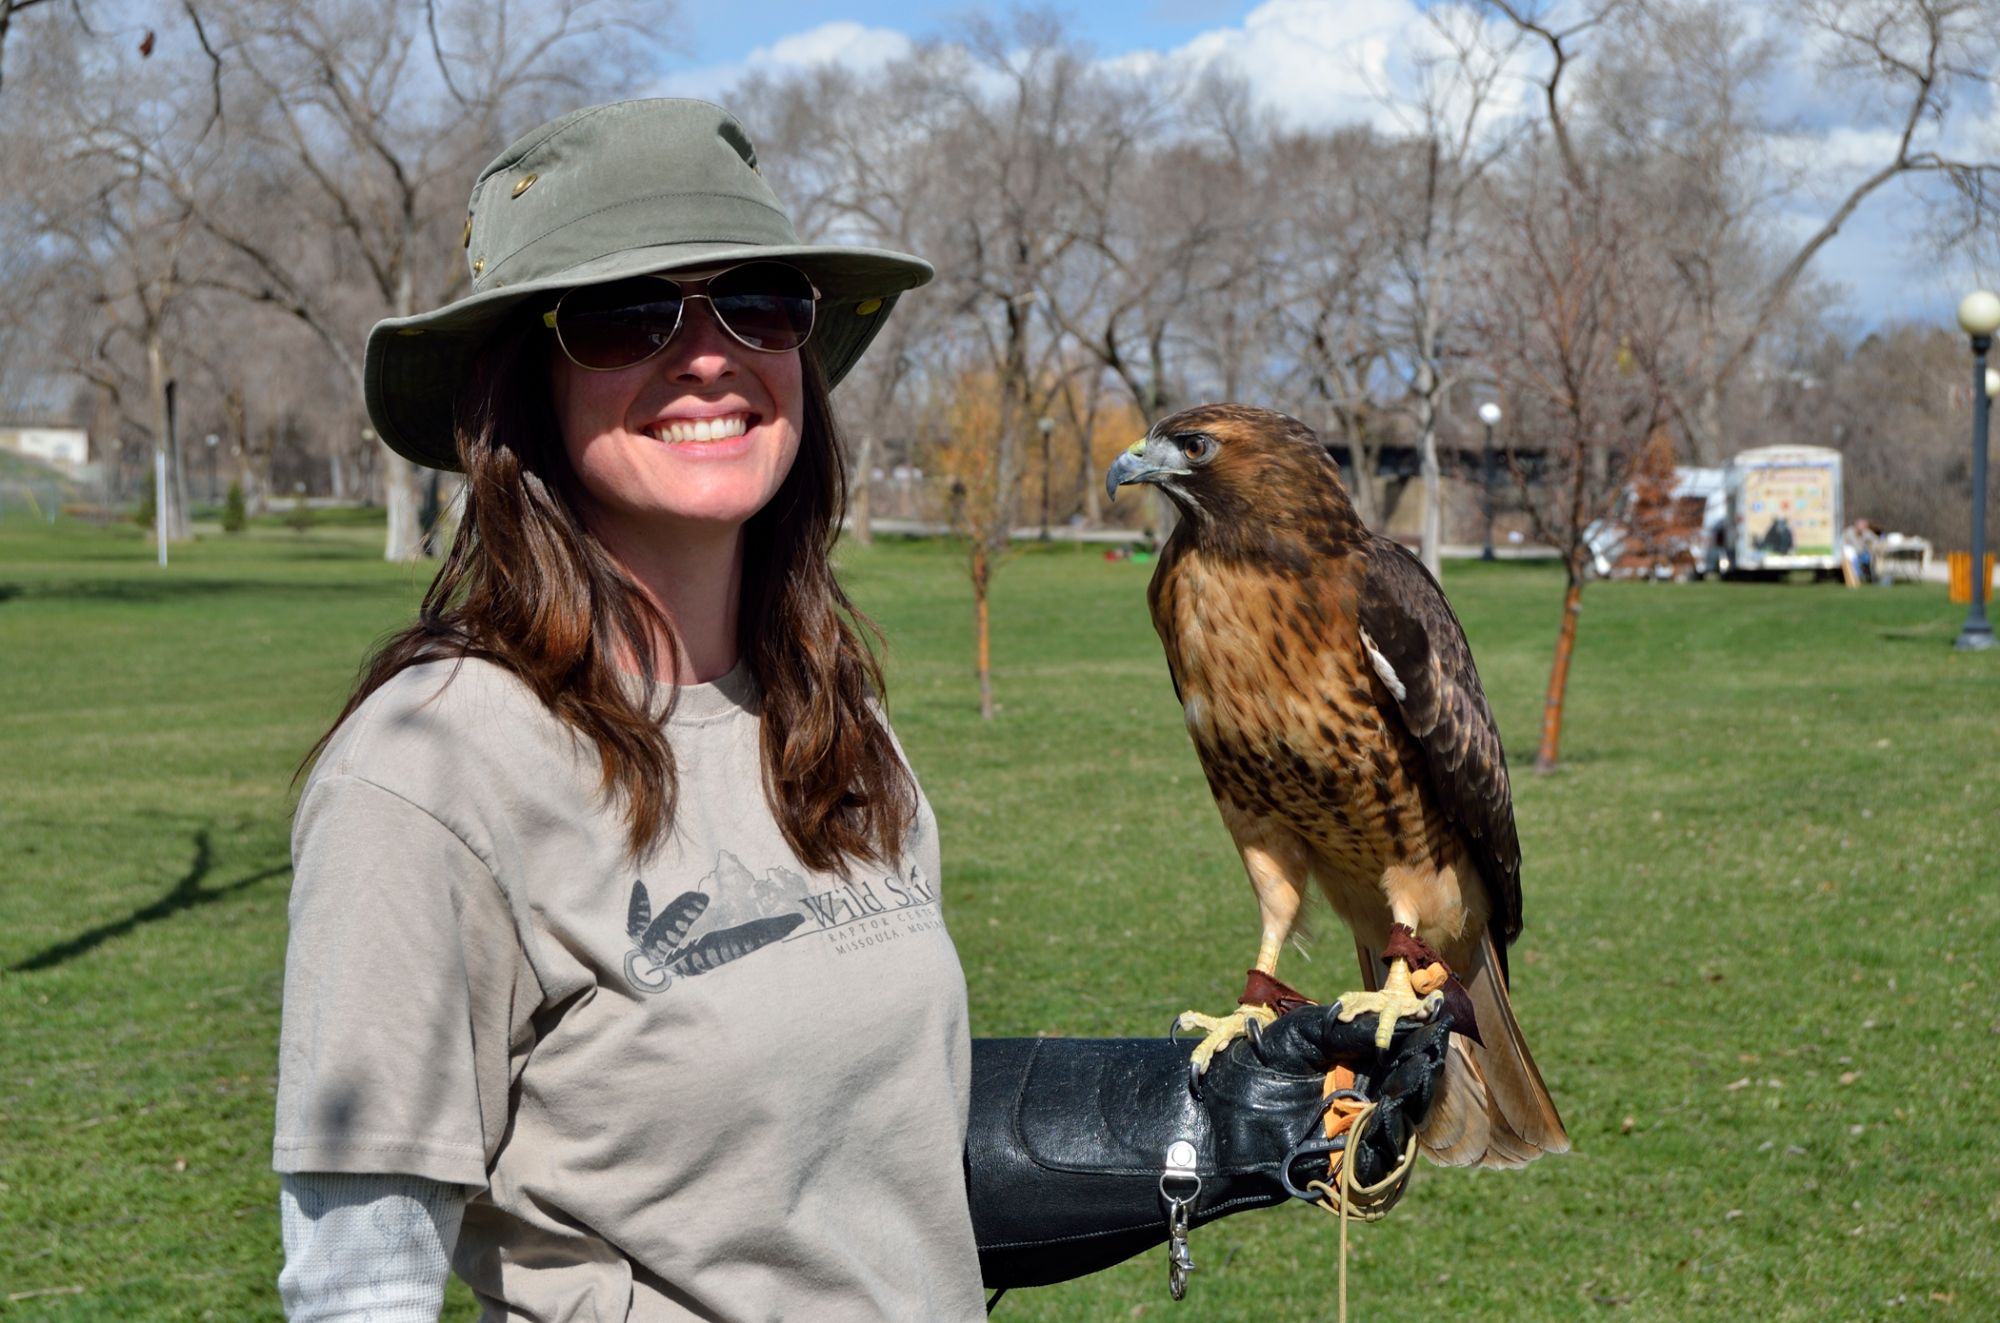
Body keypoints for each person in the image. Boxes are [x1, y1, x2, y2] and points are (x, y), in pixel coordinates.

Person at [274, 98, 1443, 1322]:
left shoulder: (829, 721)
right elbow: (360, 1285)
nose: (710, 354)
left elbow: (878, 1159)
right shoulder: (429, 771)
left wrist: (1191, 1121)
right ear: (522, 388)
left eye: (759, 303)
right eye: (628, 315)